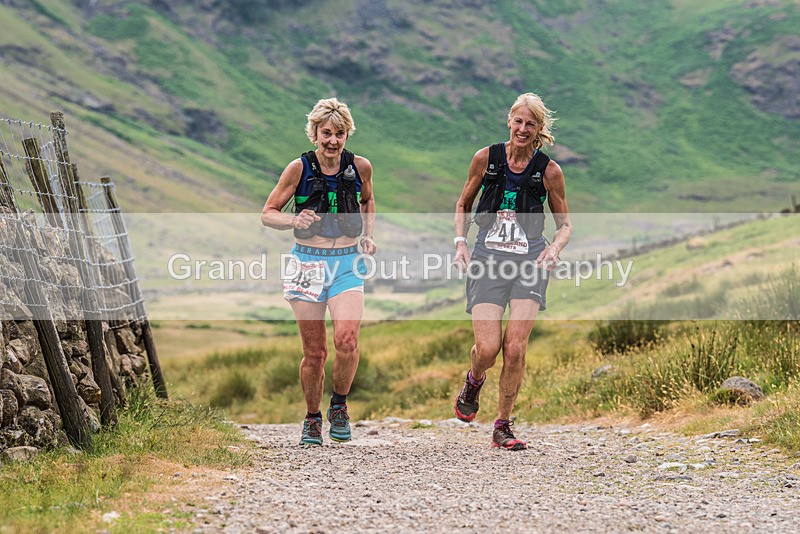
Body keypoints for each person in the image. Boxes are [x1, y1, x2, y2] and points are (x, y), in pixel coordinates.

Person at [452, 92, 572, 451]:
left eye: (530, 124)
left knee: (515, 348)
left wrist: (555, 248)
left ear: (539, 130)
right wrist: (460, 242)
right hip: (487, 259)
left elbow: (565, 224)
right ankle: (475, 379)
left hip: (530, 262)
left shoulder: (549, 171)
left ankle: (502, 425)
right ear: (509, 121)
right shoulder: (485, 159)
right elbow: (463, 203)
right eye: (518, 121)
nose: (523, 129)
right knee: (488, 349)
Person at [261, 98, 376, 446]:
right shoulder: (298, 169)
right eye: (326, 133)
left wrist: (368, 236)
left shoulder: (360, 166)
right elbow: (268, 212)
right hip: (307, 263)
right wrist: (294, 219)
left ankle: (338, 406)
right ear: (315, 133)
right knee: (315, 353)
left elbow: (368, 200)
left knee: (347, 340)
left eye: (339, 134)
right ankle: (312, 418)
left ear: (346, 134)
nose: (333, 141)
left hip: (346, 263)